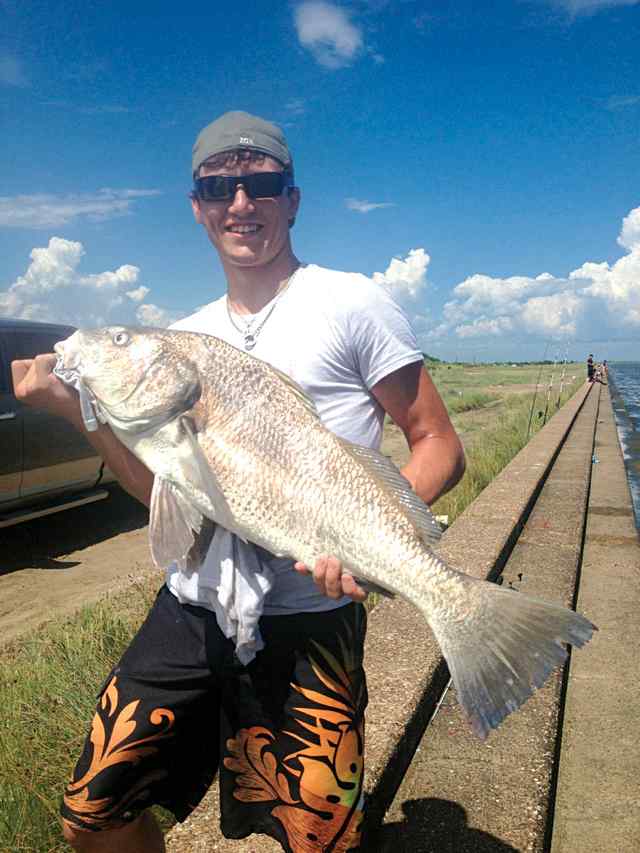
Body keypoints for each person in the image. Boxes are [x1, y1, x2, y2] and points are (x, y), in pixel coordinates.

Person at [11, 111, 465, 852]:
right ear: (197, 205)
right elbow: (158, 495)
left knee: (316, 839)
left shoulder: (352, 303)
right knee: (92, 813)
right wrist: (77, 411)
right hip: (193, 612)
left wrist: (368, 545)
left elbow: (438, 441)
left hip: (314, 616)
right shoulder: (185, 337)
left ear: (293, 198)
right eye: (219, 187)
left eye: (261, 183)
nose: (240, 203)